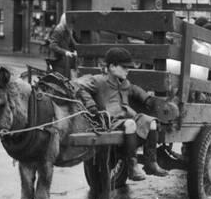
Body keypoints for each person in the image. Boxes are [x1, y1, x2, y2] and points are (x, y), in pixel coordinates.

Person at [75, 47, 168, 181]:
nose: (127, 70)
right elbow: (78, 85)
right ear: (112, 67)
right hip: (111, 120)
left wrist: (146, 98)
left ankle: (151, 162)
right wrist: (90, 104)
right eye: (124, 67)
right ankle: (132, 167)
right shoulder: (99, 81)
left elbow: (134, 89)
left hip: (127, 117)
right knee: (130, 124)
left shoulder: (124, 83)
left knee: (152, 122)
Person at [47, 13, 77, 77]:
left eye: (72, 23)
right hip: (57, 60)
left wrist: (76, 50)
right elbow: (53, 45)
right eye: (70, 23)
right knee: (61, 81)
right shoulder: (58, 30)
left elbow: (73, 44)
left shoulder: (68, 31)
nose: (72, 25)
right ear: (65, 22)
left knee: (67, 80)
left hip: (65, 61)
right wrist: (65, 52)